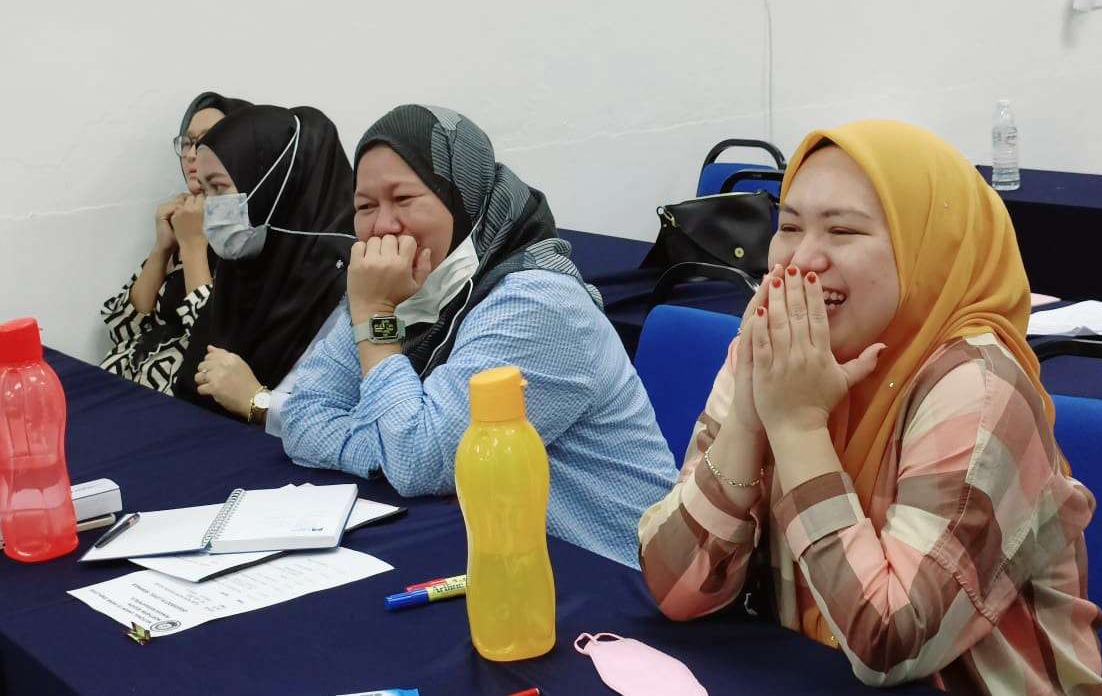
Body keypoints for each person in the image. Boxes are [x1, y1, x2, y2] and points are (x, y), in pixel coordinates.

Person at [639, 120, 1102, 695]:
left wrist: (797, 427)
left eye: (842, 230)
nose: (801, 259)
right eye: (789, 226)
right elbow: (676, 589)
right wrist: (747, 416)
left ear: (927, 250)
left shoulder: (978, 388)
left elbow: (888, 642)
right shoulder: (780, 352)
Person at [280, 104, 677, 568]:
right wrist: (388, 446)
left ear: (463, 198)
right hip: (504, 557)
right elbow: (302, 417)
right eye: (365, 207)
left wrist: (376, 317)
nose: (383, 226)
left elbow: (417, 460)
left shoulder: (537, 302)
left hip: (617, 574)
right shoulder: (398, 286)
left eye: (403, 199)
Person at [172, 103, 355, 435]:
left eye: (219, 187)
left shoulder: (344, 283)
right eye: (206, 190)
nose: (210, 206)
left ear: (272, 187)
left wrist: (257, 401)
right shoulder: (243, 262)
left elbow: (344, 426)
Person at [101, 91, 251, 393]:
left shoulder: (245, 231)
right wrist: (163, 248)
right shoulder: (183, 216)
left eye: (207, 141)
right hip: (123, 381)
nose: (193, 154)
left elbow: (214, 343)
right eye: (187, 142)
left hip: (181, 397)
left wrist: (194, 245)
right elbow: (122, 328)